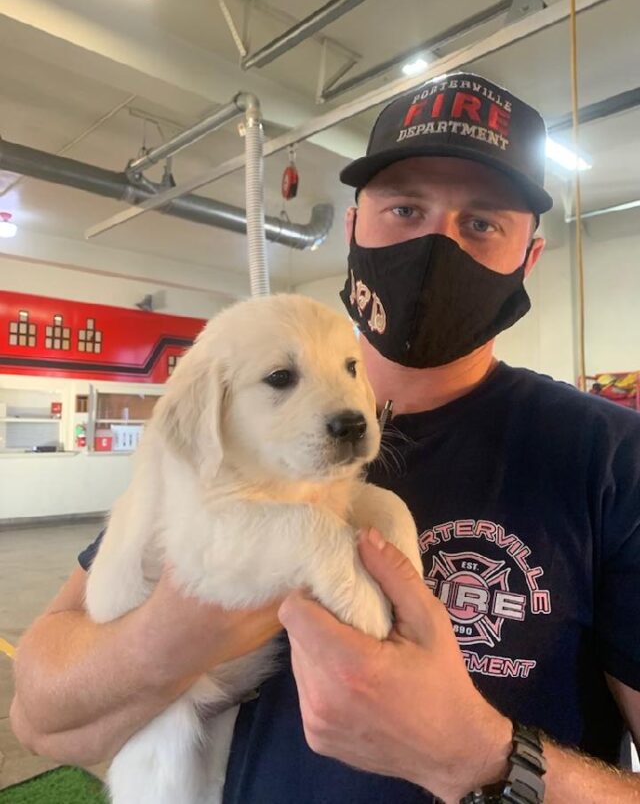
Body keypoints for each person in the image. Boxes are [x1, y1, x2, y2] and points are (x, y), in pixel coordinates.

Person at [10, 72, 640, 803]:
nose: (436, 244)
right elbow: (40, 713)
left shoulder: (611, 458)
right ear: (353, 229)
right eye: (405, 207)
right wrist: (172, 637)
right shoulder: (242, 435)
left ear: (529, 260)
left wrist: (485, 758)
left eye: (482, 222)